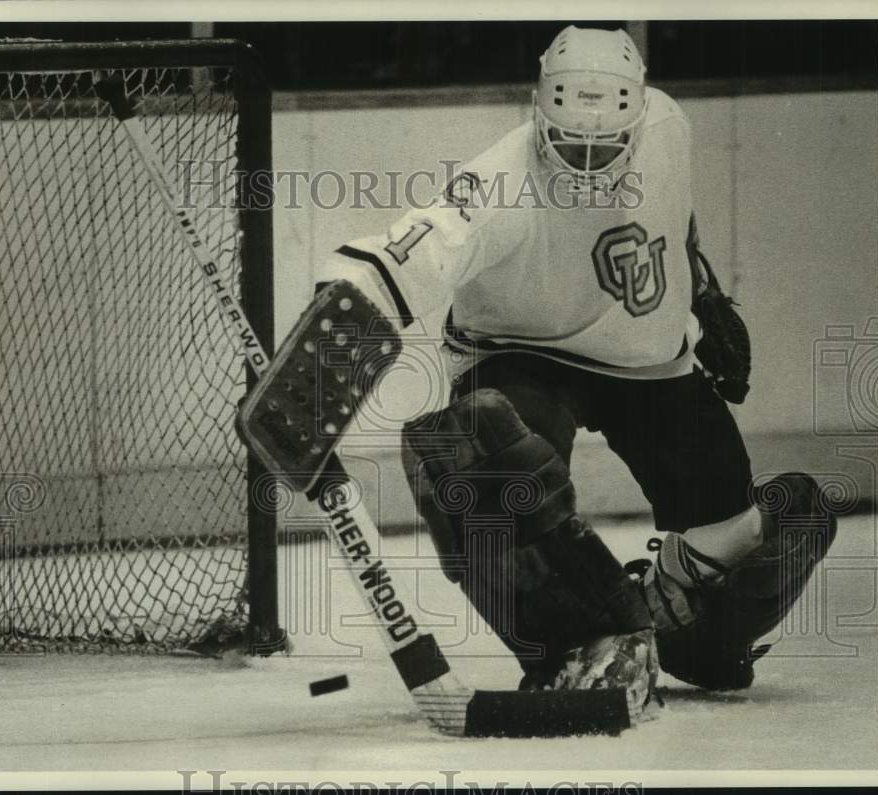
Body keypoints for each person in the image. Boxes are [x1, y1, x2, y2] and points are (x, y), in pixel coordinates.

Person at [313, 25, 836, 717]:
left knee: (763, 537)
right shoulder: (499, 182)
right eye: (567, 143)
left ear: (640, 117)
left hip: (647, 363)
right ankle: (583, 636)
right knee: (480, 460)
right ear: (538, 114)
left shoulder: (670, 127)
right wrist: (321, 345)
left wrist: (701, 297)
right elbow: (403, 254)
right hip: (519, 349)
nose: (587, 164)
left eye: (607, 145)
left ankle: (673, 615)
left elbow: (675, 219)